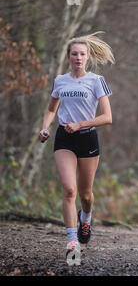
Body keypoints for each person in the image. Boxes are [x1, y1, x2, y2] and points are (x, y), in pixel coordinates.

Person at [38, 31, 114, 261]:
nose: (78, 57)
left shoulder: (96, 81)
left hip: (87, 138)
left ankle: (86, 219)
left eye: (82, 54)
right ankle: (72, 240)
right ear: (68, 56)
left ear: (88, 56)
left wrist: (81, 124)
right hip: (64, 139)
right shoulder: (60, 81)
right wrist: (45, 128)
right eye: (74, 54)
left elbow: (107, 116)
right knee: (69, 190)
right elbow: (52, 108)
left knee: (85, 194)